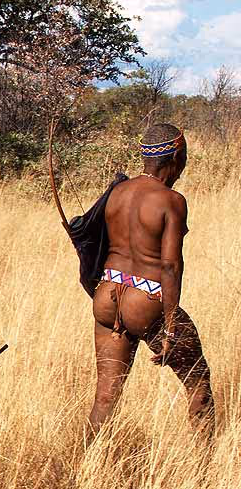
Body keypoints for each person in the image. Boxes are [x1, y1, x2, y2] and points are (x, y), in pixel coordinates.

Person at [87, 123, 213, 437]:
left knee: (105, 397)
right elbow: (170, 266)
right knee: (198, 382)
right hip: (146, 299)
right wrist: (170, 325)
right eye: (184, 158)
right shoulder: (171, 200)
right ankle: (203, 472)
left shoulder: (118, 192)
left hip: (107, 296)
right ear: (176, 158)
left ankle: (82, 470)